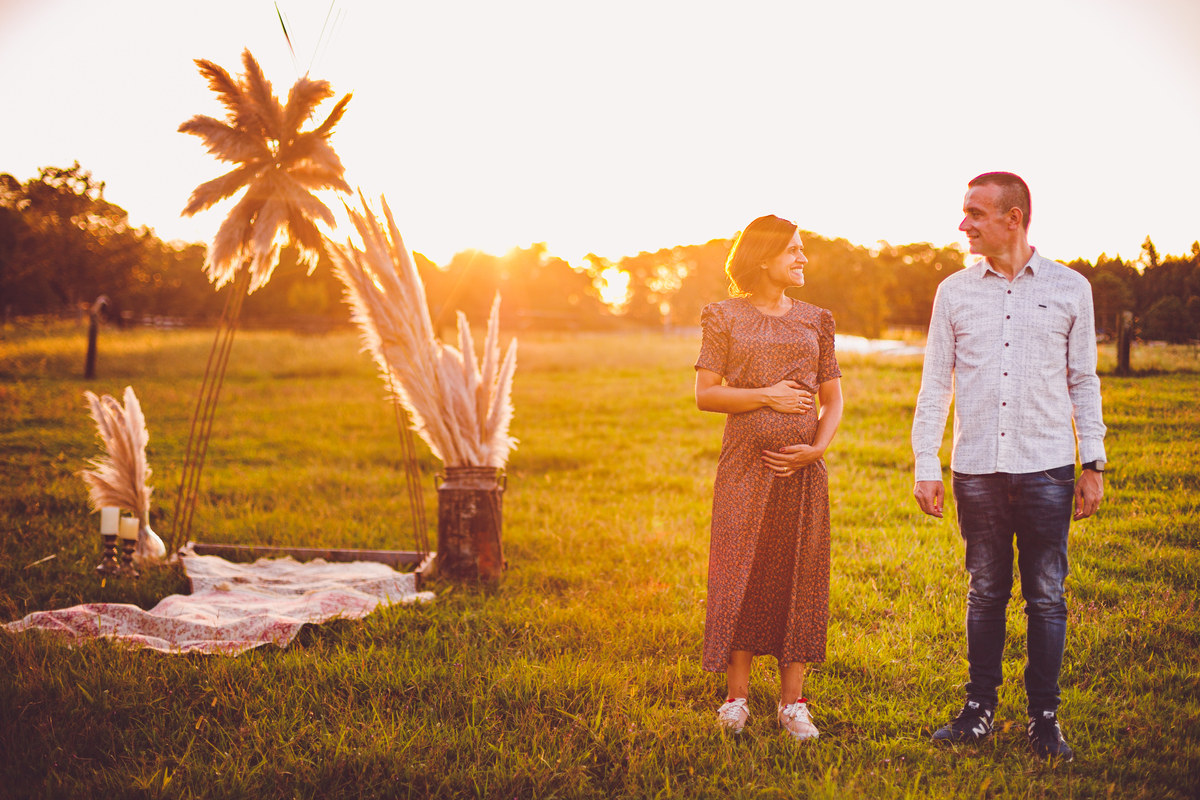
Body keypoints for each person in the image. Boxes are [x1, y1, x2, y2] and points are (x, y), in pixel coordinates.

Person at [912, 172, 1106, 761]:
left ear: (1014, 218)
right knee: (986, 591)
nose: (963, 223)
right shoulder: (953, 292)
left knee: (1046, 595)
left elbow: (1084, 381)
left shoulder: (1072, 288)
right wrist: (927, 460)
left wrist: (1093, 459)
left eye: (975, 212)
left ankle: (1044, 720)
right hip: (977, 470)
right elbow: (934, 384)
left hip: (1048, 470)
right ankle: (978, 711)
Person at [694, 214, 844, 741]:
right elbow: (706, 394)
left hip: (803, 471)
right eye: (794, 251)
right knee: (743, 572)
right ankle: (736, 699)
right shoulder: (723, 316)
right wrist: (768, 396)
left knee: (798, 575)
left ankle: (793, 704)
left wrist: (816, 449)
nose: (803, 259)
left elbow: (833, 397)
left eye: (803, 251)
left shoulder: (817, 319)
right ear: (764, 258)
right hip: (744, 466)